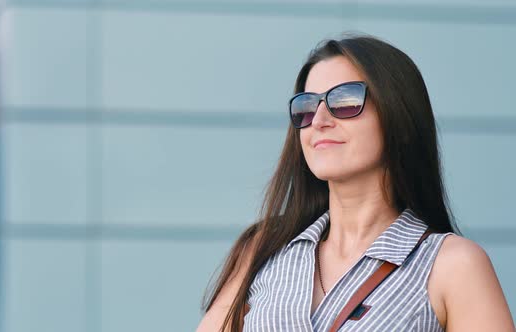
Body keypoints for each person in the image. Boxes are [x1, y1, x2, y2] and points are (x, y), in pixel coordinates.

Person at [195, 35, 515, 332]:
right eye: (306, 107)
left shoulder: (453, 265)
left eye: (345, 101)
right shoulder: (263, 250)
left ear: (399, 119)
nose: (319, 120)